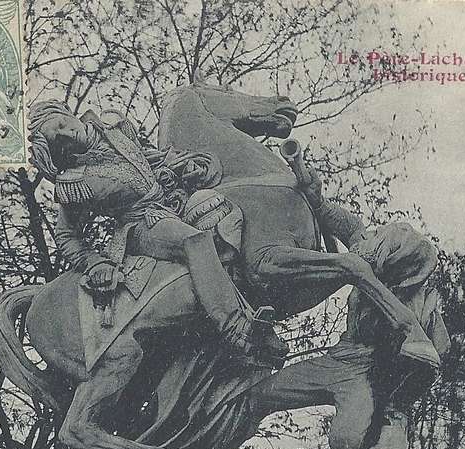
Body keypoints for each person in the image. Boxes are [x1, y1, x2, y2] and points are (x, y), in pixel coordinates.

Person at [29, 100, 284, 366]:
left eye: (62, 125)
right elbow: (65, 235)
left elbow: (148, 158)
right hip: (143, 224)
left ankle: (251, 307)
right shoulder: (74, 183)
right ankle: (233, 327)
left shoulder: (115, 126)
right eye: (59, 141)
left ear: (67, 114)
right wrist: (95, 262)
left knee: (218, 211)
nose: (68, 134)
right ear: (58, 154)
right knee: (193, 241)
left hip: (173, 200)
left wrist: (181, 165)